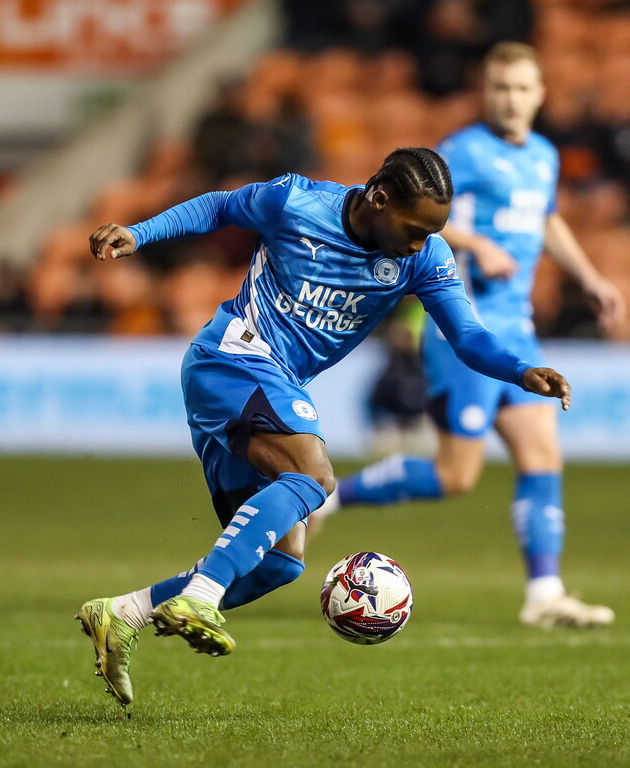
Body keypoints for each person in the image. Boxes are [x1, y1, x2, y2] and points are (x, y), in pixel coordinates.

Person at [77, 146, 572, 708]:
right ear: (380, 199)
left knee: (280, 565)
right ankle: (202, 596)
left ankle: (122, 613)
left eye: (431, 232)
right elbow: (218, 208)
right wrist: (141, 233)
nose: (420, 242)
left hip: (273, 385)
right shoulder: (295, 201)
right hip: (231, 359)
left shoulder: (425, 257)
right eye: (414, 229)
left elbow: (468, 336)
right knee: (313, 473)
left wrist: (520, 369)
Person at [319, 43, 625, 629]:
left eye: (521, 88)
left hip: (520, 330)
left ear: (540, 94)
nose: (511, 99)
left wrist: (588, 276)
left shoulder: (542, 155)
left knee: (541, 454)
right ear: (486, 92)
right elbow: (420, 215)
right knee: (456, 475)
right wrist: (475, 243)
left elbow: (546, 217)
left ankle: (544, 593)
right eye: (500, 88)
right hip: (469, 330)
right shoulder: (462, 151)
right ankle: (332, 497)